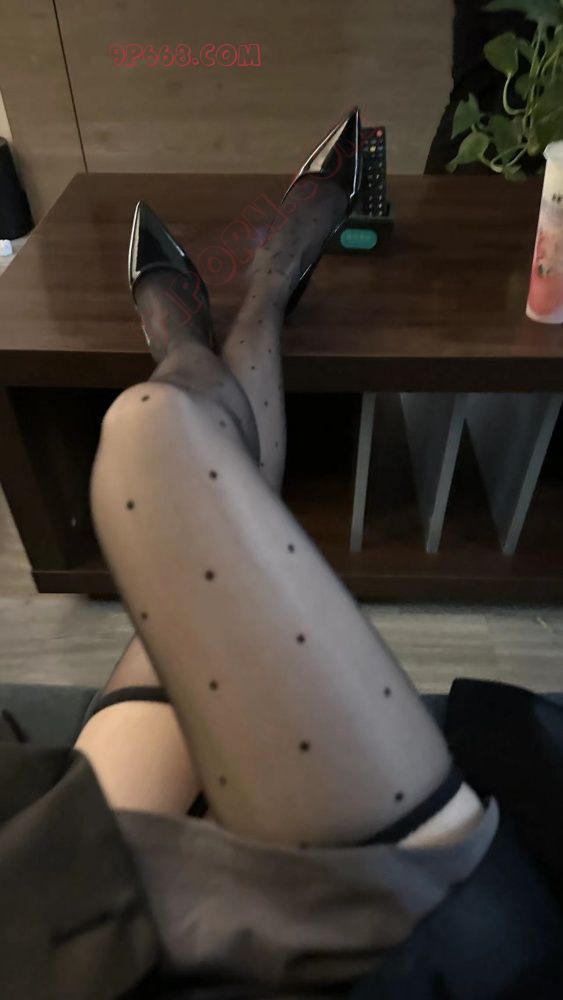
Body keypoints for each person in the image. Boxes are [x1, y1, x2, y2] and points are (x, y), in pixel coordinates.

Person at [1, 108, 562, 1000]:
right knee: (156, 437)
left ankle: (201, 329)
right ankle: (257, 289)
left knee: (182, 460)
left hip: (45, 908)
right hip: (420, 958)